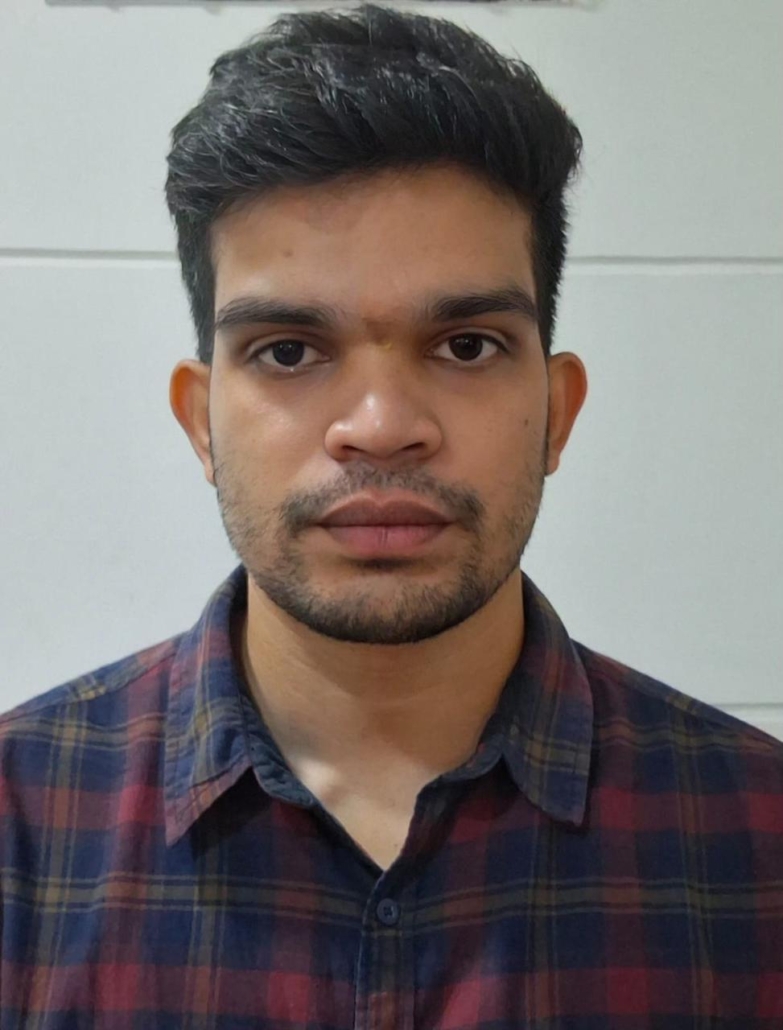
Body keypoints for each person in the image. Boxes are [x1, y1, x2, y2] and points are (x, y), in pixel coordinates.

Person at [2, 3, 781, 1025]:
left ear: (558, 412)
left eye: (465, 345)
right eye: (288, 350)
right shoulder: (21, 826)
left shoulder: (756, 837)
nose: (379, 428)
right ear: (201, 422)